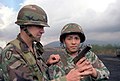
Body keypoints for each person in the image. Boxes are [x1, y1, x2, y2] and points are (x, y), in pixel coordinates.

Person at [0, 4, 61, 81]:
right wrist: (66, 79)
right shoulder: (12, 52)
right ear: (25, 26)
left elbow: (36, 74)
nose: (42, 31)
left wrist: (47, 64)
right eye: (39, 27)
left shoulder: (34, 47)